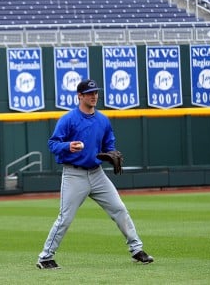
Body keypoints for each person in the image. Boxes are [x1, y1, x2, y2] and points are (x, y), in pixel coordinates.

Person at [36, 79, 154, 269]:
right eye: (89, 93)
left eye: (96, 93)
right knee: (65, 218)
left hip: (97, 174)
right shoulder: (69, 119)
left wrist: (110, 154)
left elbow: (109, 146)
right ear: (80, 96)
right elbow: (52, 144)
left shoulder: (102, 120)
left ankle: (137, 250)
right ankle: (45, 257)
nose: (94, 96)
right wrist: (67, 146)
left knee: (120, 209)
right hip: (74, 175)